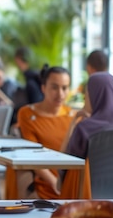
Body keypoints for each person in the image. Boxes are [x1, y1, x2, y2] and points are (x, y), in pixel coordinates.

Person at [9, 66, 83, 200]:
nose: (60, 94)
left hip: (69, 180)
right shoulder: (27, 113)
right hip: (43, 181)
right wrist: (54, 182)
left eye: (64, 88)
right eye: (54, 87)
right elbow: (30, 154)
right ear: (43, 88)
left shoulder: (74, 116)